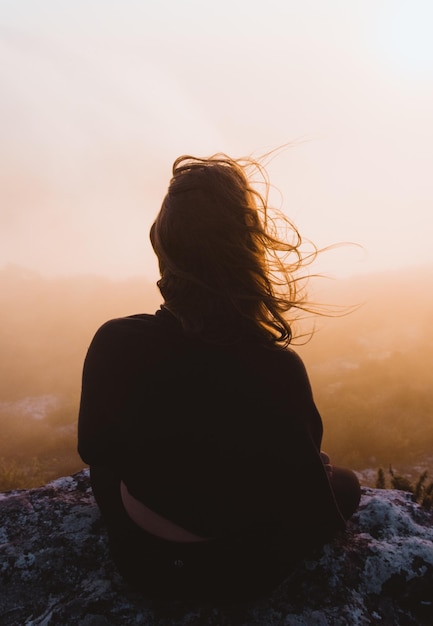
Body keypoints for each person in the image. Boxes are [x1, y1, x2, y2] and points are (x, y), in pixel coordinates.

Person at [78, 152, 361, 603]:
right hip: (240, 576)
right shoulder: (277, 369)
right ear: (247, 254)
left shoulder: (115, 340)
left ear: (163, 247)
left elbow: (95, 449)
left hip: (143, 567)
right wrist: (310, 470)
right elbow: (315, 517)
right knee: (343, 484)